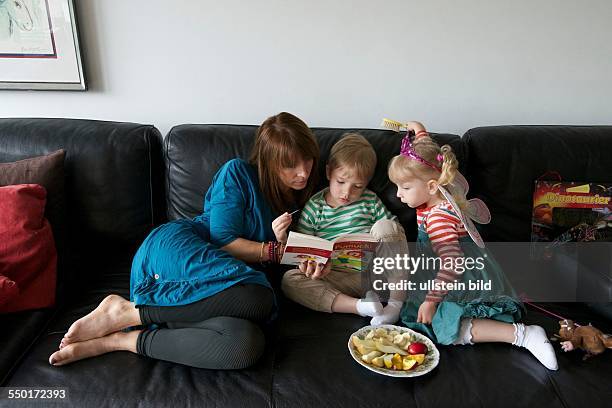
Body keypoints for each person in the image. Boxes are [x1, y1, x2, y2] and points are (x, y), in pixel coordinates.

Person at [48, 112, 319, 369]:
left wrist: (307, 266)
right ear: (268, 162)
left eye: (307, 161)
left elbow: (282, 268)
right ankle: (128, 312)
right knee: (259, 298)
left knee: (245, 344)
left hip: (223, 292)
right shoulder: (238, 173)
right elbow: (224, 242)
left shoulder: (304, 202)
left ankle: (121, 340)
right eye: (289, 165)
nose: (303, 173)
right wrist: (276, 251)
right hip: (182, 249)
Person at [387, 121, 558, 370]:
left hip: (459, 275)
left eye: (404, 187)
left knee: (444, 326)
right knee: (420, 318)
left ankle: (522, 335)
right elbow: (430, 155)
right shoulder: (441, 185)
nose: (398, 194)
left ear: (432, 186)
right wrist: (419, 131)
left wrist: (432, 300)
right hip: (448, 269)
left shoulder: (438, 218)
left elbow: (452, 263)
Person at [281, 133, 409, 325]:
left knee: (387, 226)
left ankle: (395, 305)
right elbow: (305, 252)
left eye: (357, 186)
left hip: (375, 273)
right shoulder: (314, 207)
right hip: (336, 277)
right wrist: (315, 266)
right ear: (328, 173)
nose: (347, 192)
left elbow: (393, 234)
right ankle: (361, 307)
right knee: (290, 280)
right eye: (341, 182)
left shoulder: (370, 201)